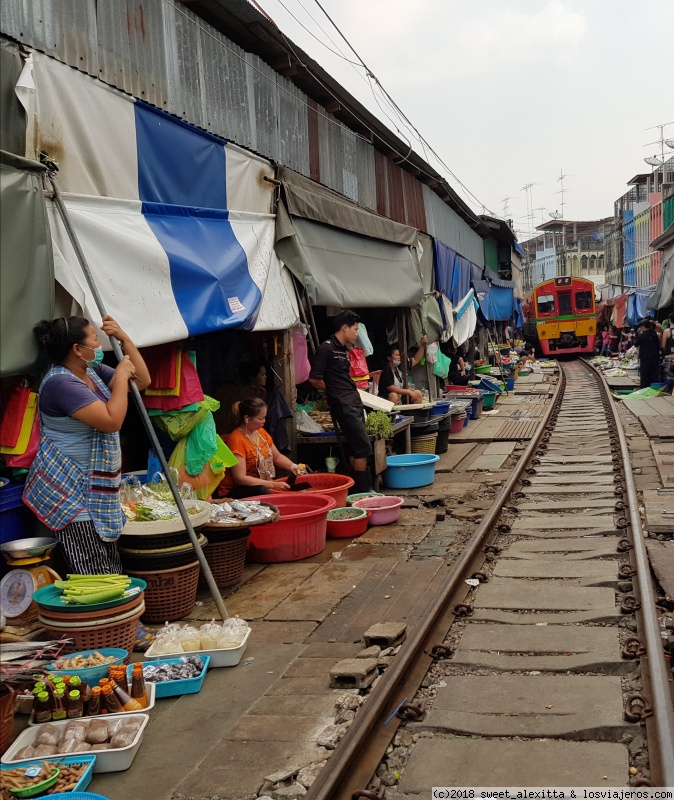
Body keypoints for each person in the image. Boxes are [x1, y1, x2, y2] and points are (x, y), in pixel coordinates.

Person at [23, 315, 151, 574]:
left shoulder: (90, 371)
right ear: (77, 350)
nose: (98, 343)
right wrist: (122, 376)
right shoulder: (61, 382)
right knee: (93, 573)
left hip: (91, 488)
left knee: (108, 568)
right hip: (70, 490)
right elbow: (111, 420)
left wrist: (125, 339)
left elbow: (142, 382)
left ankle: (113, 611)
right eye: (94, 338)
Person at [309, 311, 372, 493]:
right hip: (344, 404)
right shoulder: (326, 348)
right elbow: (314, 379)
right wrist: (333, 392)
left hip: (352, 402)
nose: (357, 333)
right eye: (355, 329)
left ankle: (354, 491)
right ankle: (361, 491)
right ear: (344, 328)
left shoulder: (343, 349)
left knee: (355, 447)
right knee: (363, 449)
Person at [216, 397, 303, 498]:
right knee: (264, 491)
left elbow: (277, 457)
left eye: (265, 417)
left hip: (262, 484)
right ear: (247, 419)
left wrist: (293, 466)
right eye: (260, 418)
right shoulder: (237, 439)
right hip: (235, 491)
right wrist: (273, 485)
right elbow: (240, 478)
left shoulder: (261, 433)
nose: (264, 421)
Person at [377, 336, 428, 404]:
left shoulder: (400, 366)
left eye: (399, 355)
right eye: (396, 355)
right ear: (389, 358)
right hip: (387, 399)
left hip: (400, 398)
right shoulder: (386, 368)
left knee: (417, 393)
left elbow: (416, 359)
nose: (399, 357)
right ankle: (394, 415)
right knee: (393, 395)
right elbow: (390, 388)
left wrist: (422, 345)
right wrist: (408, 391)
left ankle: (416, 414)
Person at [635, 319, 661, 389]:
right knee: (654, 374)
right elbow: (658, 345)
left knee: (645, 374)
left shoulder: (642, 335)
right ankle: (654, 388)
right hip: (654, 357)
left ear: (643, 326)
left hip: (645, 358)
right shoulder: (654, 334)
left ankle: (644, 388)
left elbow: (636, 344)